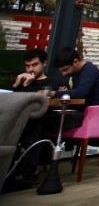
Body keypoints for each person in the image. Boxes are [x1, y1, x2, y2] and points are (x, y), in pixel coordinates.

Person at [8, 49, 69, 185]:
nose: (31, 69)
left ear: (44, 63)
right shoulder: (20, 81)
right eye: (27, 66)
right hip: (19, 119)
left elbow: (42, 103)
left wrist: (28, 85)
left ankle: (29, 169)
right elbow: (9, 100)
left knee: (36, 122)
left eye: (35, 65)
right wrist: (17, 84)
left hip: (44, 118)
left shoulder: (53, 82)